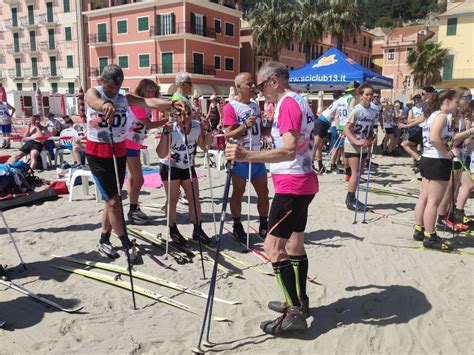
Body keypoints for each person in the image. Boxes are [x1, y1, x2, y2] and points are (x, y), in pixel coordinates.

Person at [225, 61, 318, 335]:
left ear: (274, 81)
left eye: (262, 85)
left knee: (272, 247)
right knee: (294, 246)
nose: (259, 91)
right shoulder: (297, 100)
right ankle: (299, 300)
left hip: (292, 183)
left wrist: (247, 156)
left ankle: (294, 312)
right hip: (302, 180)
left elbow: (289, 150)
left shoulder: (288, 103)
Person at [85, 64, 183, 261]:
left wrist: (173, 103)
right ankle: (125, 242)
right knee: (113, 201)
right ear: (102, 81)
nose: (112, 91)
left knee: (111, 199)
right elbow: (93, 101)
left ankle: (104, 239)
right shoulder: (93, 91)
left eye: (116, 87)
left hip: (119, 151)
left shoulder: (124, 98)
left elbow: (149, 102)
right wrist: (104, 105)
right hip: (98, 153)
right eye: (110, 87)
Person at [156, 104, 214, 247]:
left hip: (187, 166)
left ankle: (197, 229)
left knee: (194, 198)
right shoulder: (171, 128)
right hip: (170, 166)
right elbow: (161, 153)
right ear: (175, 115)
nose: (185, 117)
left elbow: (205, 146)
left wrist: (208, 130)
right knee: (173, 198)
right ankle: (172, 228)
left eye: (188, 113)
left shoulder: (196, 126)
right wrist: (165, 134)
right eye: (181, 114)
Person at [222, 72, 270, 242]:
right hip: (240, 155)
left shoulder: (256, 106)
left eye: (252, 84)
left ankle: (264, 224)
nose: (252, 87)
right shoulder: (231, 107)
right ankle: (237, 224)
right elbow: (228, 135)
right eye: (248, 84)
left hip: (256, 154)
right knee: (239, 192)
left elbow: (261, 131)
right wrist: (244, 125)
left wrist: (271, 125)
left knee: (263, 192)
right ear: (239, 87)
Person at [412, 89, 460, 251]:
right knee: (433, 201)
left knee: (424, 198)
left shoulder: (431, 115)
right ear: (447, 101)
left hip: (428, 158)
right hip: (437, 160)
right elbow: (434, 138)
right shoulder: (440, 116)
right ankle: (430, 235)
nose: (457, 105)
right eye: (456, 101)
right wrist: (448, 152)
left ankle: (420, 229)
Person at [125, 79, 168, 225]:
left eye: (152, 91)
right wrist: (167, 121)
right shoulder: (139, 103)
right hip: (129, 143)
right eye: (147, 90)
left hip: (135, 143)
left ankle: (133, 207)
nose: (150, 93)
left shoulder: (148, 105)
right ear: (141, 90)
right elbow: (148, 125)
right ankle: (133, 209)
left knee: (132, 178)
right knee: (139, 179)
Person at [437, 87, 472, 231]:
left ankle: (450, 214)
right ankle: (441, 217)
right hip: (452, 154)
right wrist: (469, 131)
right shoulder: (452, 115)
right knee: (451, 188)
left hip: (461, 153)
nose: (469, 101)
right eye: (467, 98)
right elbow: (450, 137)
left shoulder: (463, 115)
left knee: (458, 187)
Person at [312, 81, 359, 174]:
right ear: (356, 89)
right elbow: (351, 113)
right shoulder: (351, 98)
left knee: (319, 146)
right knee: (316, 145)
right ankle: (310, 164)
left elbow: (339, 113)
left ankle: (320, 165)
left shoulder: (343, 98)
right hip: (322, 121)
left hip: (325, 121)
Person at [343, 84, 377, 211]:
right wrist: (356, 141)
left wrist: (372, 138)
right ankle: (350, 199)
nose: (369, 97)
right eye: (366, 94)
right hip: (352, 144)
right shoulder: (357, 110)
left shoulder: (373, 111)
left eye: (371, 94)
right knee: (356, 173)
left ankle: (352, 197)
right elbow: (346, 129)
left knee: (359, 172)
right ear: (361, 96)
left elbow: (371, 128)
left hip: (364, 143)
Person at [399, 86, 436, 172]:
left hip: (425, 129)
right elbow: (422, 118)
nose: (421, 95)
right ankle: (421, 163)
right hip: (427, 129)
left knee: (405, 144)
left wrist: (407, 126)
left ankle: (420, 161)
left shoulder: (426, 104)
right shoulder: (433, 104)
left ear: (429, 94)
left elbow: (422, 119)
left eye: (423, 94)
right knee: (425, 149)